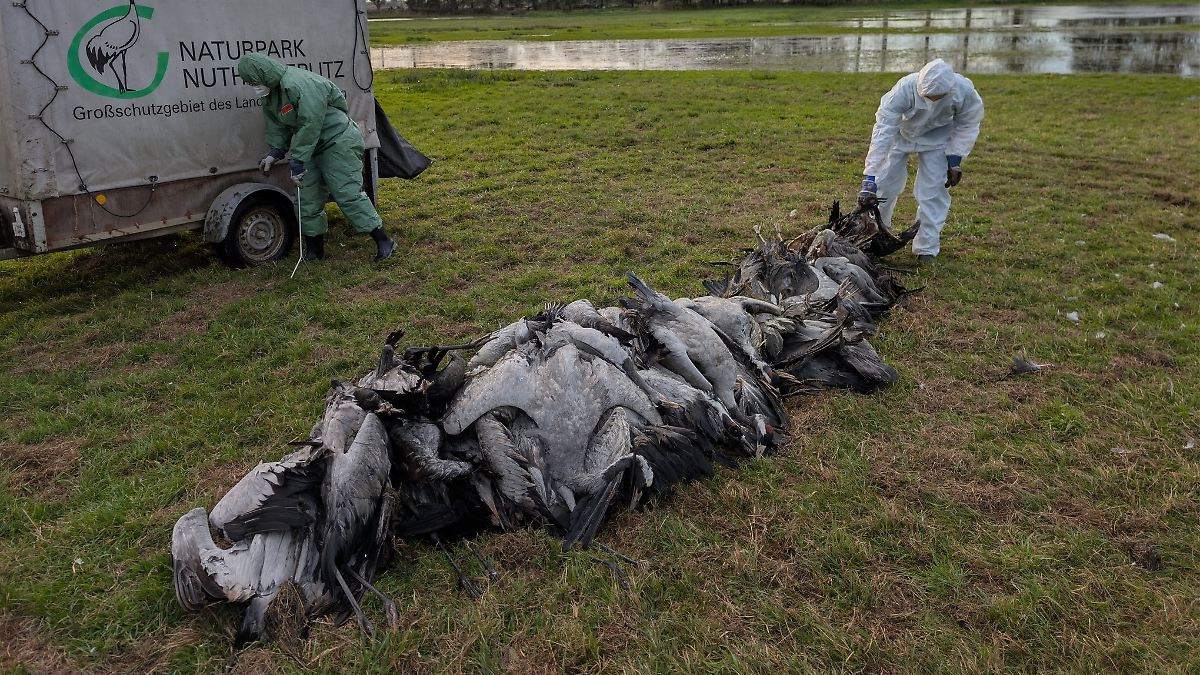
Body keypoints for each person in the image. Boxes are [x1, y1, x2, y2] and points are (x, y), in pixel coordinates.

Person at [237, 53, 395, 262]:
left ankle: (384, 241)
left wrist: (297, 159)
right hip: (310, 148)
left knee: (346, 192)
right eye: (250, 83)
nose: (253, 86)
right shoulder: (271, 96)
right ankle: (314, 251)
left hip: (337, 141)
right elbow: (278, 126)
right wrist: (275, 152)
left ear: (264, 74)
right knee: (306, 197)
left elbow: (310, 123)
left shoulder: (300, 84)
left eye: (254, 81)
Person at [857, 58, 984, 264]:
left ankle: (926, 247)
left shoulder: (963, 90)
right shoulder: (904, 89)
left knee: (933, 192)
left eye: (938, 97)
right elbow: (883, 130)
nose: (932, 101)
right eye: (928, 96)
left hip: (938, 140)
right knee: (883, 186)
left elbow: (968, 123)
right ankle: (875, 238)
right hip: (901, 136)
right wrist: (871, 175)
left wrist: (955, 158)